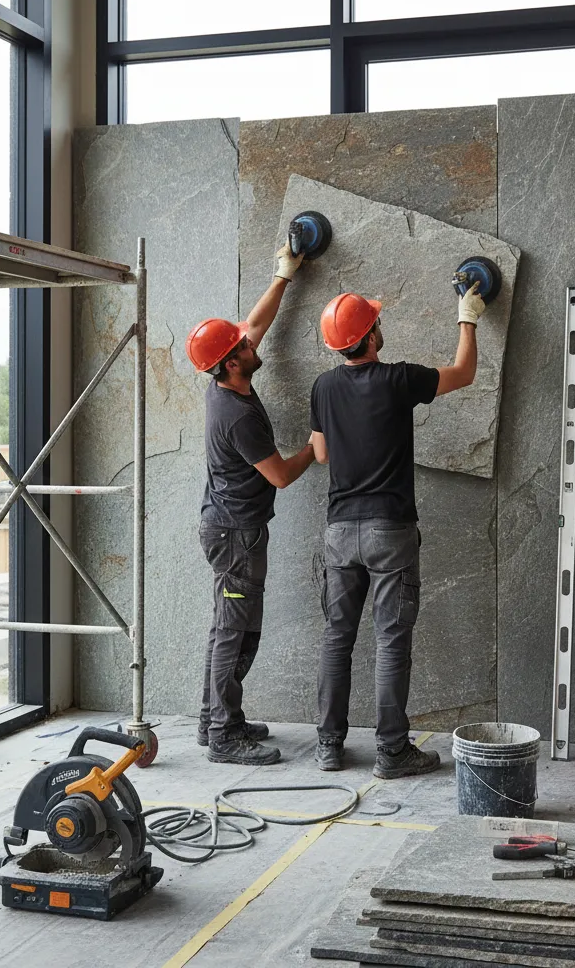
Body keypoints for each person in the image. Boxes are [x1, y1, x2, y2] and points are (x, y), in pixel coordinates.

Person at [309, 283, 488, 778]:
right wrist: (467, 317)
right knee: (390, 640)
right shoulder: (397, 380)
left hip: (340, 531)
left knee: (336, 637)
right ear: (370, 336)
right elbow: (465, 373)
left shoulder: (323, 388)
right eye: (376, 323)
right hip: (390, 529)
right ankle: (391, 751)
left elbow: (321, 454)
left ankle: (329, 746)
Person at [185, 242, 317, 766]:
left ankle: (217, 720)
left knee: (234, 628)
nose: (249, 341)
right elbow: (281, 475)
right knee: (233, 631)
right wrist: (315, 447)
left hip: (234, 529)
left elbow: (255, 324)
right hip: (235, 536)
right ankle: (222, 735)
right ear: (231, 362)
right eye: (242, 344)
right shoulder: (237, 416)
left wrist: (284, 276)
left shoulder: (232, 378)